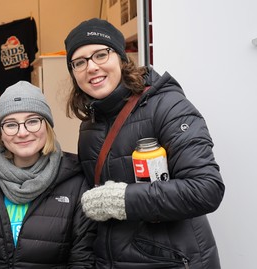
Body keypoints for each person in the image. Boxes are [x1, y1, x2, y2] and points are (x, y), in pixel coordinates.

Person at [64, 18, 225, 268]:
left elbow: (206, 189)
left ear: (121, 58)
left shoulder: (167, 106)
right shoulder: (90, 125)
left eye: (100, 55)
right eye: (80, 62)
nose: (91, 67)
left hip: (172, 260)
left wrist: (124, 200)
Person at [0, 81, 96, 268]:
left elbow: (82, 260)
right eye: (11, 124)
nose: (22, 133)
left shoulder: (76, 182)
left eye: (32, 121)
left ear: (46, 126)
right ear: (1, 132)